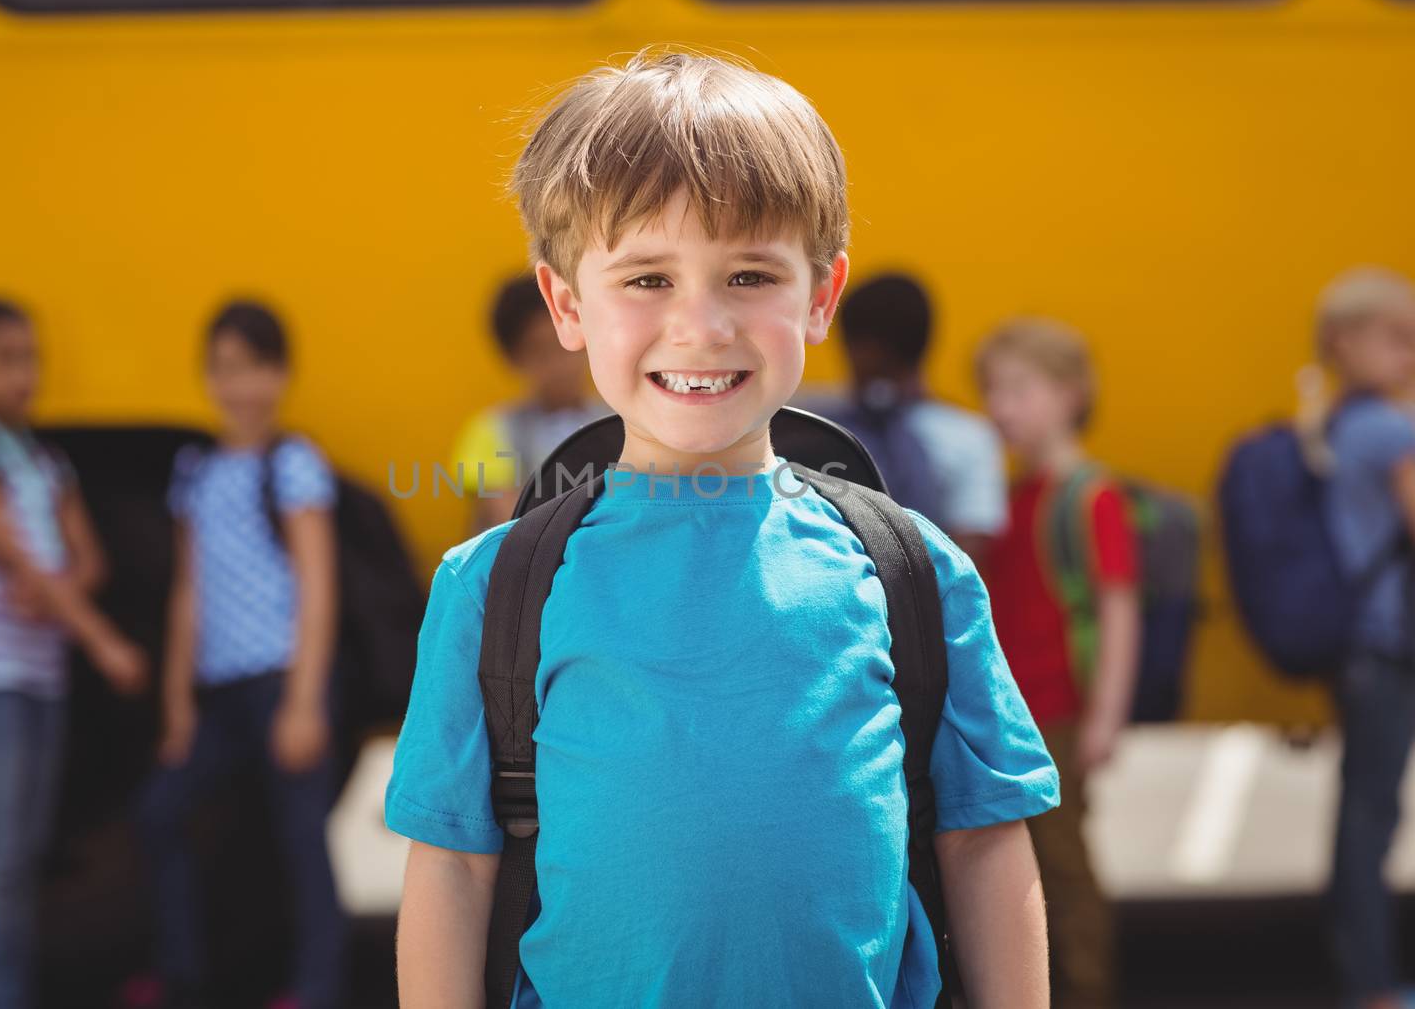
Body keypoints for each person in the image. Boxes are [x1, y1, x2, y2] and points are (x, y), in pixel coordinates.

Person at [386, 49, 1058, 1008]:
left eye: (749, 275)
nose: (701, 325)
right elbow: (453, 868)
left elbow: (985, 837)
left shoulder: (915, 572)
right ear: (567, 303)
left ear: (821, 296)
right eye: (648, 279)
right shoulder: (493, 588)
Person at [0, 288, 148, 1009]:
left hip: (38, 673)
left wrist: (57, 584)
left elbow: (85, 561)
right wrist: (103, 639)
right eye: (5, 360)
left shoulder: (42, 459)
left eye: (30, 358)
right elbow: (17, 555)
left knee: (16, 856)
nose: (23, 375)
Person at [137, 299, 347, 1009]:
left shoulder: (293, 463)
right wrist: (175, 705)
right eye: (224, 368)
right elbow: (186, 593)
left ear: (281, 374)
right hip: (218, 694)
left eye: (254, 366)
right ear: (207, 377)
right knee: (159, 813)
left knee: (299, 839)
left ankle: (318, 986)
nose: (240, 385)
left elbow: (317, 584)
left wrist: (304, 700)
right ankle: (183, 973)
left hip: (282, 680)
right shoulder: (194, 472)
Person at [975, 318, 1140, 1008]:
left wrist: (1105, 717)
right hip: (1017, 711)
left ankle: (1087, 990)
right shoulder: (1013, 495)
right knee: (1032, 865)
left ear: (1071, 394)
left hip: (1060, 711)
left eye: (1019, 389)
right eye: (992, 391)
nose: (999, 408)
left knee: (1064, 872)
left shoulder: (1090, 495)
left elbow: (1118, 609)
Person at [1311, 268, 1415, 1009]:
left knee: (1362, 809)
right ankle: (1372, 983)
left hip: (1359, 643)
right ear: (1346, 342)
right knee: (1373, 814)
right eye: (1398, 338)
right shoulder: (1389, 430)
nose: (1412, 352)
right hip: (1390, 640)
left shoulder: (1335, 423)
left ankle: (1362, 972)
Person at [818, 271, 1008, 564]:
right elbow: (970, 550)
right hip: (926, 600)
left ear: (855, 347)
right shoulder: (970, 435)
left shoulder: (818, 424)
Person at [449, 275, 608, 532]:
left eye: (566, 346)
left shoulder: (621, 421)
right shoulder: (492, 430)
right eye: (539, 351)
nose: (559, 365)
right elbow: (512, 519)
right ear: (514, 358)